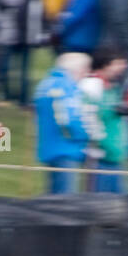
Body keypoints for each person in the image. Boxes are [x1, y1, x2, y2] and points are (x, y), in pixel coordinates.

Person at [34, 51, 91, 194]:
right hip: (66, 150)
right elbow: (69, 120)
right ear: (78, 69)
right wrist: (85, 136)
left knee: (53, 197)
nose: (86, 74)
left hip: (48, 148)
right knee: (65, 201)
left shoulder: (45, 83)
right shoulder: (67, 86)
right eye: (85, 70)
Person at [81, 47, 128, 192]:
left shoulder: (112, 87)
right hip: (99, 158)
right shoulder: (91, 86)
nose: (122, 67)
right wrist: (98, 145)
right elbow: (88, 118)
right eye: (118, 63)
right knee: (99, 204)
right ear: (105, 64)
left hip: (115, 157)